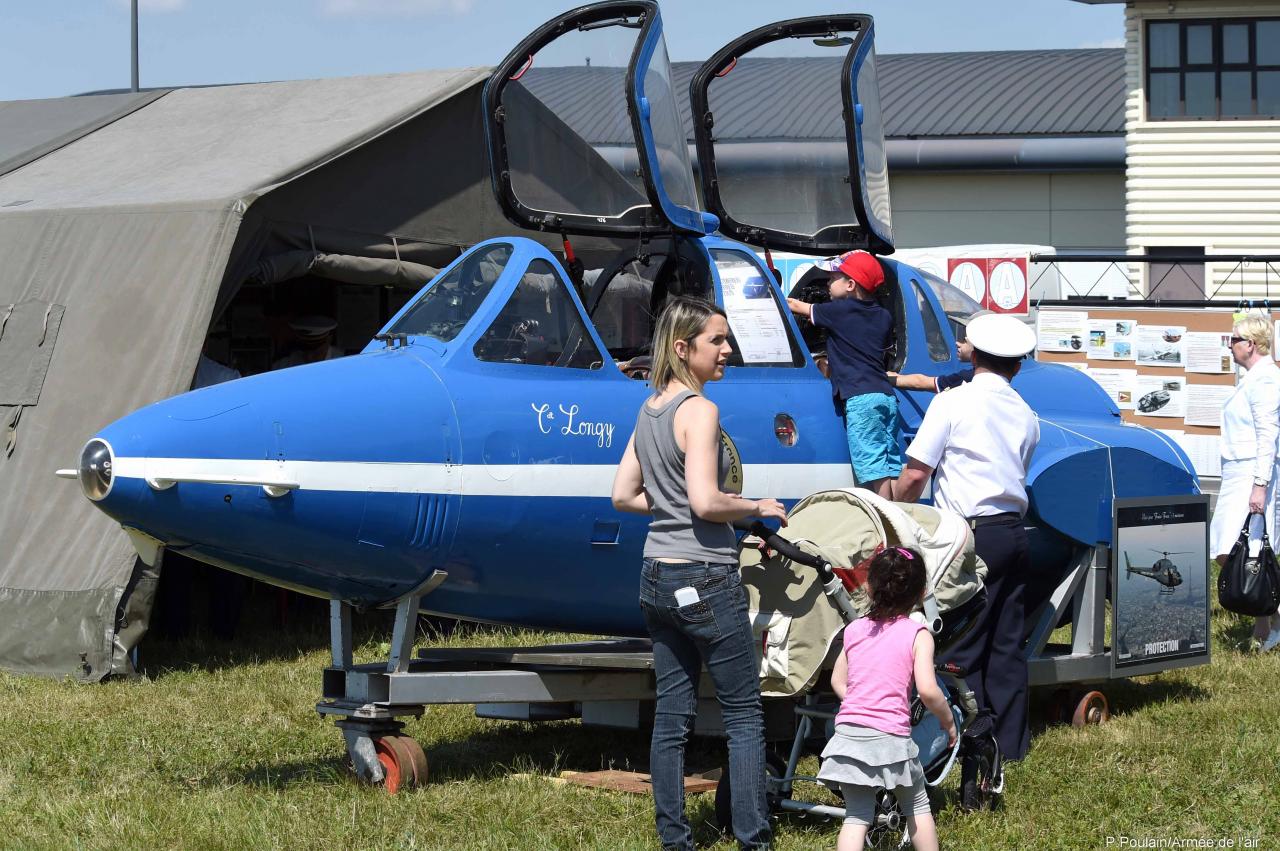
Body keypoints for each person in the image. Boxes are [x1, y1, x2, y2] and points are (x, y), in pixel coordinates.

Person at [612, 296, 788, 851]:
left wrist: (673, 506)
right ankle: (754, 839)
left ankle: (674, 839)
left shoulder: (649, 410)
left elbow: (622, 495)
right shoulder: (700, 411)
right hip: (707, 576)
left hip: (655, 577)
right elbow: (709, 503)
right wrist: (757, 505)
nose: (728, 350)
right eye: (718, 340)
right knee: (743, 716)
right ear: (684, 348)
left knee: (672, 716)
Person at [891, 312, 1039, 781]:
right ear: (1016, 365)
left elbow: (916, 474)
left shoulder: (953, 402)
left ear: (972, 353)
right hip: (1013, 530)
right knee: (1008, 642)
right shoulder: (1025, 412)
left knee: (962, 643)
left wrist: (892, 509)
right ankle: (1010, 744)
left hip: (968, 535)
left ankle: (963, 745)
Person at [816, 546, 954, 851]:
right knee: (917, 806)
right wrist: (949, 723)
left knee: (856, 816)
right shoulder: (918, 635)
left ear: (868, 587)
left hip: (849, 737)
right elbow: (929, 691)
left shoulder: (853, 630)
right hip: (891, 739)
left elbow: (839, 680)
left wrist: (861, 701)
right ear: (921, 594)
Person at [787, 250, 899, 498]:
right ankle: (896, 515)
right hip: (886, 397)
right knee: (888, 463)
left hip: (860, 398)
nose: (827, 283)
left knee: (871, 465)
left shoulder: (839, 311)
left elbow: (795, 305)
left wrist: (769, 297)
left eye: (833, 277)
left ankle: (885, 520)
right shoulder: (883, 316)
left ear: (850, 285)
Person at [1209, 313, 1280, 651]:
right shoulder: (1253, 378)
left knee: (1245, 549)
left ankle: (1270, 620)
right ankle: (1265, 626)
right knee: (1234, 549)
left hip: (1252, 471)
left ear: (1251, 344)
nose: (1230, 345)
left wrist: (1260, 483)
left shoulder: (1265, 380)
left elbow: (1268, 435)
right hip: (1239, 471)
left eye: (1234, 339)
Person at [889, 310, 992, 393]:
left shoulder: (968, 378)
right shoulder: (999, 375)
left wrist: (888, 377)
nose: (957, 343)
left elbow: (921, 383)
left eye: (964, 340)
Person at [271, 315, 344, 369]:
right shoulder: (283, 366)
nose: (309, 357)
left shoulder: (343, 364)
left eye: (316, 352)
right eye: (305, 351)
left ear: (329, 340)